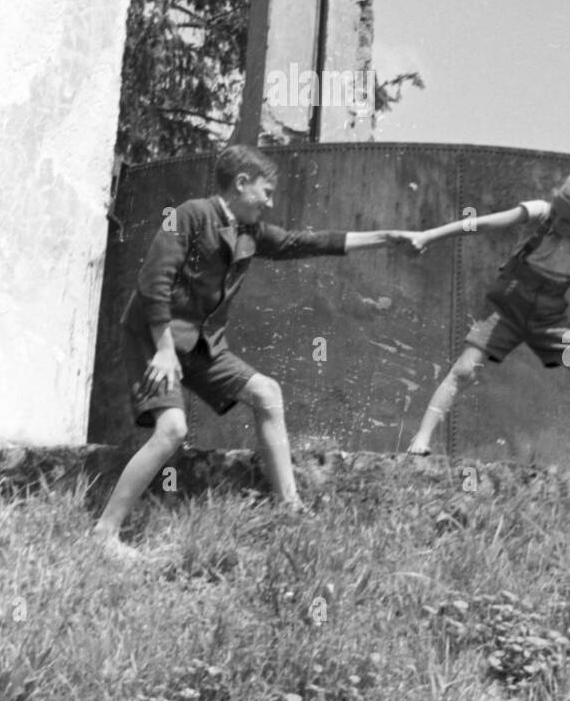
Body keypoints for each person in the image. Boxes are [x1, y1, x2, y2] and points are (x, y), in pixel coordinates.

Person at [95, 143, 396, 561]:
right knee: (173, 431)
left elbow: (305, 242)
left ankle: (290, 508)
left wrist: (387, 238)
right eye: (266, 191)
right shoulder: (190, 215)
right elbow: (152, 282)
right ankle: (105, 533)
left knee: (267, 394)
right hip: (155, 337)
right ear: (241, 184)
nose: (270, 202)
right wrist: (164, 350)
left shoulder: (249, 233)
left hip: (202, 344)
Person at [399, 162, 570, 475]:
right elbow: (482, 224)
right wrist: (429, 235)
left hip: (549, 321)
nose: (557, 222)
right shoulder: (539, 213)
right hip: (507, 307)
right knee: (465, 370)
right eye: (556, 212)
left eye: (567, 220)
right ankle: (422, 438)